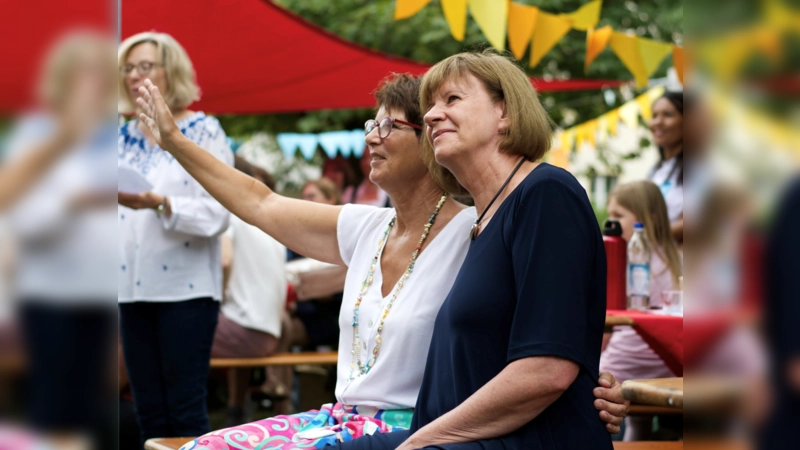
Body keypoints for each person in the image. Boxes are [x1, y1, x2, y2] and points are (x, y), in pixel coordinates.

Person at [135, 71, 627, 450]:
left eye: (390, 125)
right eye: (374, 123)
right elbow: (260, 203)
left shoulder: (477, 226)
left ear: (429, 148)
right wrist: (177, 142)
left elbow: (538, 323)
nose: (371, 136)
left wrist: (594, 385)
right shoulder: (367, 226)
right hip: (338, 419)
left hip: (415, 424)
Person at [117, 31, 233, 447]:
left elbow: (219, 213)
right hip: (129, 290)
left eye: (145, 66)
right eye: (128, 68)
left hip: (185, 292)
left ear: (172, 71)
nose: (134, 76)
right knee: (147, 411)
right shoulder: (119, 136)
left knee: (184, 411)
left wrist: (159, 203)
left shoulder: (203, 131)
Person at [4, 31, 118, 450]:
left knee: (94, 410)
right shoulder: (36, 133)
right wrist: (71, 203)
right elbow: (24, 218)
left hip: (100, 293)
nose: (90, 85)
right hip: (51, 292)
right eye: (81, 74)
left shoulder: (111, 135)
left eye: (98, 75)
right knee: (57, 408)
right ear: (63, 80)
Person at [599, 180, 682, 440]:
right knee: (638, 417)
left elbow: (606, 328)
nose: (611, 222)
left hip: (626, 364)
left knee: (587, 373)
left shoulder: (632, 266)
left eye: (618, 215)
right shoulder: (676, 259)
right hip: (670, 364)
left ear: (648, 219)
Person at [213, 156, 287, 426]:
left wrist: (217, 299)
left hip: (246, 334)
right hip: (269, 334)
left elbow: (224, 260)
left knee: (159, 329)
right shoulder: (266, 221)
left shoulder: (228, 213)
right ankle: (235, 410)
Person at [648, 91, 684, 244]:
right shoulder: (655, 171)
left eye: (668, 115)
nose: (657, 122)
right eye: (654, 115)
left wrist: (645, 236)